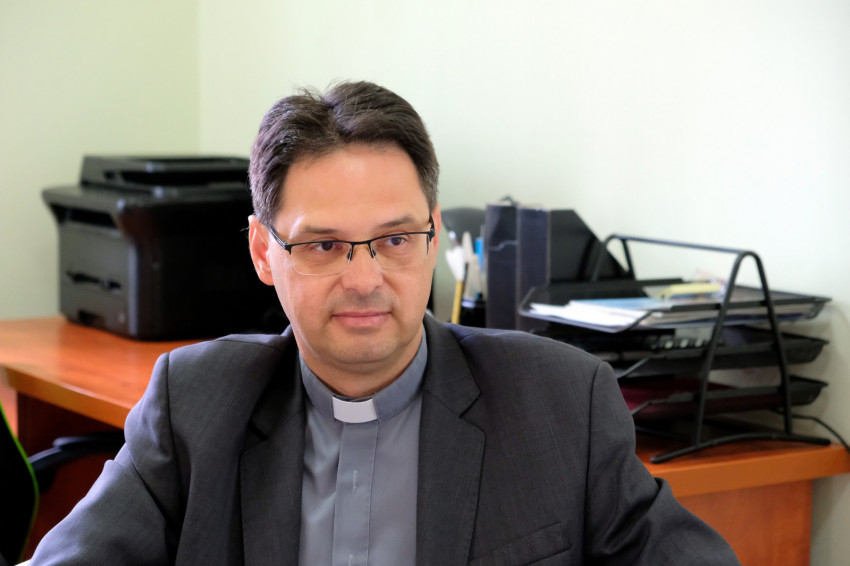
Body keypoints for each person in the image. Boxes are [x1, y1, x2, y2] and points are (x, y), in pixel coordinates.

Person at [30, 81, 740, 565]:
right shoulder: (195, 404)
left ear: (434, 235)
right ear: (263, 253)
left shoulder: (560, 401)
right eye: (323, 246)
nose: (365, 279)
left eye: (395, 239)